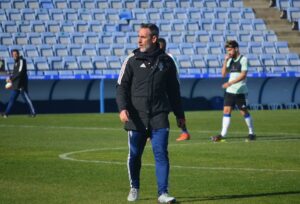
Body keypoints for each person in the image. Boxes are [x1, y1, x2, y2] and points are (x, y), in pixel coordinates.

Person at [116, 23, 186, 203]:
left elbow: (174, 90)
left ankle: (163, 193)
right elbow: (121, 87)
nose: (139, 40)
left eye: (143, 37)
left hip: (159, 116)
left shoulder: (167, 62)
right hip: (136, 117)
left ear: (153, 39)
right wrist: (123, 108)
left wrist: (179, 114)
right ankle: (134, 187)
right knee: (135, 155)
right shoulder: (131, 60)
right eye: (138, 36)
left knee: (161, 153)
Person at [211, 40, 256, 142]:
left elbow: (243, 75)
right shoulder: (230, 60)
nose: (229, 52)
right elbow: (223, 74)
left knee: (243, 112)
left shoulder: (243, 59)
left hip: (240, 91)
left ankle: (251, 132)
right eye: (227, 50)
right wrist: (225, 61)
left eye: (230, 50)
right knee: (226, 111)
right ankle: (222, 135)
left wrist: (230, 83)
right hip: (230, 91)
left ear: (236, 49)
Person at [158, 38, 191, 141]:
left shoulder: (169, 58)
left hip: (170, 89)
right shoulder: (158, 57)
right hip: (161, 89)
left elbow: (175, 73)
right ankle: (152, 132)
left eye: (160, 45)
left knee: (175, 110)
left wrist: (174, 86)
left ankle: (185, 132)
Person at [2, 49, 36, 118]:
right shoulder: (15, 62)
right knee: (12, 99)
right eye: (13, 54)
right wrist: (10, 77)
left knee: (27, 99)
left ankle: (33, 112)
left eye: (15, 54)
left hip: (21, 85)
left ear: (18, 54)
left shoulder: (22, 61)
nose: (14, 55)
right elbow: (15, 73)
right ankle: (6, 113)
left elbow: (20, 73)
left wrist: (11, 79)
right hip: (16, 85)